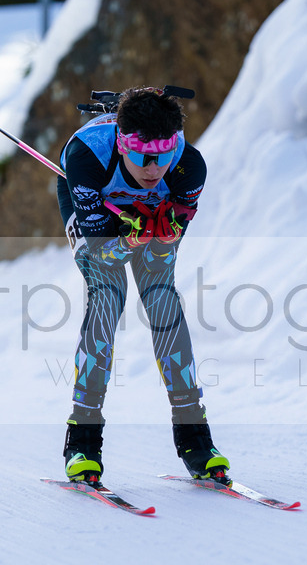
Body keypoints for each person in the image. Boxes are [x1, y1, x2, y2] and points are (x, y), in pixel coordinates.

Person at [56, 86, 230, 486]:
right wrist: (130, 239)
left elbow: (158, 258)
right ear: (122, 144)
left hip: (146, 218)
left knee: (162, 300)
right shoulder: (87, 159)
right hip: (96, 208)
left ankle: (195, 439)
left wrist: (163, 236)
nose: (154, 168)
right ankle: (82, 441)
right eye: (141, 157)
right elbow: (103, 258)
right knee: (107, 299)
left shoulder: (189, 167)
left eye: (163, 155)